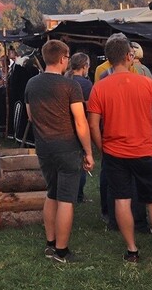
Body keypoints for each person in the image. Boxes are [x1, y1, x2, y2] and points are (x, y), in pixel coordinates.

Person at [87, 34, 152, 262]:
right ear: (129, 56)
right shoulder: (147, 83)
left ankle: (132, 250)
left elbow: (94, 125)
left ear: (108, 59)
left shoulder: (99, 88)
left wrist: (101, 147)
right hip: (145, 150)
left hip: (115, 152)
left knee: (122, 201)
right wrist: (145, 119)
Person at [25, 40, 94, 263]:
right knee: (66, 199)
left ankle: (50, 243)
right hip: (67, 147)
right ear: (64, 58)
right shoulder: (70, 86)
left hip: (44, 147)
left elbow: (30, 116)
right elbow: (80, 121)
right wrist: (89, 151)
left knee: (52, 193)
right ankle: (62, 251)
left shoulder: (31, 84)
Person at [67, 52, 93, 203]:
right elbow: (90, 108)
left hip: (65, 127)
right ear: (84, 67)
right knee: (81, 161)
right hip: (80, 125)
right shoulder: (85, 84)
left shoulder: (65, 79)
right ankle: (78, 195)